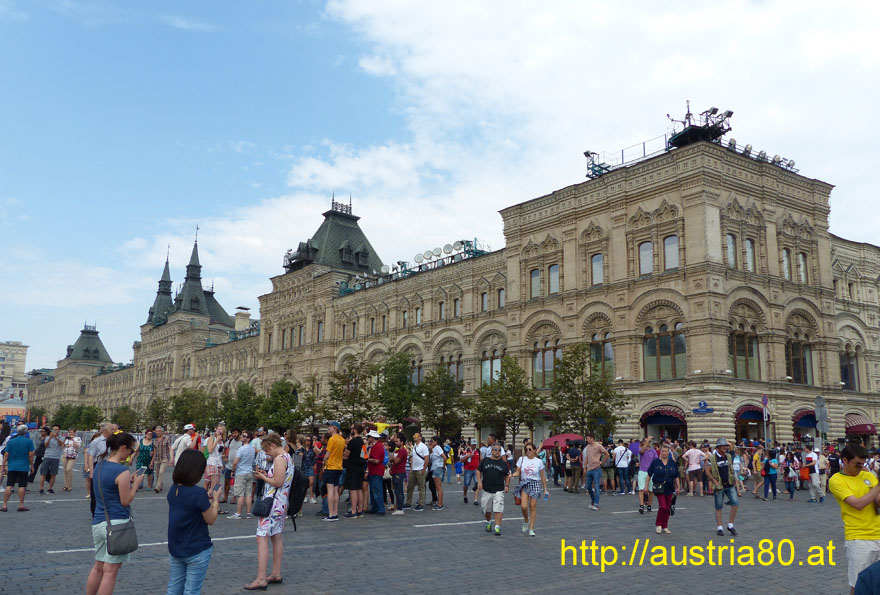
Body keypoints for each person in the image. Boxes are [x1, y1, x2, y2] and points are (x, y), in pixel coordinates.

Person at [86, 432, 145, 595]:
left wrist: (128, 481)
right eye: (131, 451)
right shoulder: (121, 470)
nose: (131, 454)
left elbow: (108, 487)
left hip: (99, 521)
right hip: (117, 524)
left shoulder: (99, 465)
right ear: (123, 448)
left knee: (98, 566)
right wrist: (136, 484)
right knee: (111, 571)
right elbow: (125, 500)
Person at [166, 449, 220, 595]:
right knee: (191, 591)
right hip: (196, 547)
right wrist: (215, 501)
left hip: (177, 546)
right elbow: (211, 519)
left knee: (173, 588)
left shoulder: (173, 489)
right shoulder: (198, 493)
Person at [828, 443, 880, 594]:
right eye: (857, 464)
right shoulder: (836, 480)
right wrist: (878, 486)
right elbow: (858, 504)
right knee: (858, 584)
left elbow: (877, 502)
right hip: (859, 538)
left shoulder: (868, 476)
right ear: (845, 460)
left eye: (863, 464)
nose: (861, 467)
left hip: (878, 532)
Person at [245, 433, 294, 590]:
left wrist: (262, 477)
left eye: (267, 450)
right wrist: (267, 475)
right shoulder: (287, 457)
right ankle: (275, 573)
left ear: (273, 445)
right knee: (276, 536)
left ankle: (261, 578)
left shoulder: (279, 459)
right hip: (281, 502)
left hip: (272, 504)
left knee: (262, 537)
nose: (267, 453)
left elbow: (278, 482)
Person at [510, 442, 548, 536]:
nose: (528, 451)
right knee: (523, 506)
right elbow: (518, 472)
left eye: (530, 449)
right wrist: (512, 475)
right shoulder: (522, 459)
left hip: (534, 483)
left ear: (534, 450)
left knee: (532, 507)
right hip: (524, 483)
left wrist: (545, 489)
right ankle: (526, 520)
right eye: (526, 449)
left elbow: (543, 476)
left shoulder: (538, 461)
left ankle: (531, 528)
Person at [706, 438, 739, 536]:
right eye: (723, 446)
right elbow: (707, 471)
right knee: (719, 506)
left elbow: (732, 448)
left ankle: (730, 525)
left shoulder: (728, 456)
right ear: (718, 447)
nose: (725, 447)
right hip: (719, 485)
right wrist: (714, 481)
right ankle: (719, 527)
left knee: (735, 503)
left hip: (729, 484)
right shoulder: (712, 458)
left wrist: (734, 479)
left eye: (726, 446)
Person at [477, 443, 510, 536]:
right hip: (486, 489)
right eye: (495, 450)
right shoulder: (485, 461)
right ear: (491, 451)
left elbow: (507, 475)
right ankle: (488, 522)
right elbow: (478, 470)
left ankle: (497, 526)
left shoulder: (503, 463)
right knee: (486, 509)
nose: (497, 452)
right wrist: (479, 481)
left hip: (499, 489)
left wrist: (507, 485)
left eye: (499, 450)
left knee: (498, 508)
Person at [647, 444, 679, 534]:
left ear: (669, 452)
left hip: (670, 487)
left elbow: (676, 475)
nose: (664, 453)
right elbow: (649, 475)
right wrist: (646, 486)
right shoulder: (655, 462)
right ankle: (659, 524)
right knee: (663, 506)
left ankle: (665, 526)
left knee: (667, 507)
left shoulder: (672, 462)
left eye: (666, 451)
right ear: (660, 452)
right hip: (659, 488)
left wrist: (678, 486)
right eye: (663, 451)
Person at [2, 424, 35, 512]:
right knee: (22, 486)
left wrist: (3, 465)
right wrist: (32, 466)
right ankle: (21, 505)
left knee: (9, 485)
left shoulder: (11, 441)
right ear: (26, 432)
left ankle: (4, 505)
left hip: (12, 466)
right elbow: (31, 455)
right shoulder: (29, 441)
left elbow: (6, 454)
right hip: (23, 466)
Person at [85, 422, 117, 510]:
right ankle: (95, 511)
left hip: (110, 467)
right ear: (105, 430)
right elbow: (91, 457)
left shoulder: (114, 441)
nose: (113, 431)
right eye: (111, 429)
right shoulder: (96, 441)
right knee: (96, 492)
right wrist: (92, 472)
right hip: (99, 466)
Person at [228, 431, 256, 519]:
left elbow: (235, 462)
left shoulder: (241, 449)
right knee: (248, 494)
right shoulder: (252, 449)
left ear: (248, 439)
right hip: (249, 472)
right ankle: (248, 513)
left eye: (244, 436)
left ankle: (238, 513)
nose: (242, 437)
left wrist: (233, 470)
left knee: (240, 494)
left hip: (241, 472)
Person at [322, 421, 345, 521]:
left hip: (330, 466)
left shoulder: (332, 439)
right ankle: (335, 512)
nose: (329, 428)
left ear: (335, 428)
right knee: (336, 490)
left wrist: (323, 462)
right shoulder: (342, 439)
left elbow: (328, 453)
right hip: (338, 466)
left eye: (330, 426)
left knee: (330, 490)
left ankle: (331, 514)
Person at [343, 422, 366, 518]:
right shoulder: (362, 442)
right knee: (359, 489)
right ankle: (360, 510)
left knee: (353, 490)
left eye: (352, 428)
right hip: (360, 467)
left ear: (355, 429)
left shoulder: (352, 442)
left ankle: (353, 511)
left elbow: (346, 454)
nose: (351, 430)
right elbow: (365, 455)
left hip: (352, 467)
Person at [405, 432, 430, 511]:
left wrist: (424, 469)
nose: (414, 437)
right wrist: (411, 468)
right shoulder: (415, 446)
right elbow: (413, 457)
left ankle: (421, 503)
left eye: (416, 436)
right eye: (414, 435)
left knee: (421, 488)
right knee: (410, 487)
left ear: (420, 437)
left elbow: (427, 459)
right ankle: (408, 503)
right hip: (414, 469)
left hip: (421, 469)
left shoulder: (423, 446)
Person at [583, 434, 608, 510]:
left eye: (588, 438)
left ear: (592, 438)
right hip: (589, 468)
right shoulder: (588, 447)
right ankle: (593, 501)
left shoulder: (598, 446)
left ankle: (596, 504)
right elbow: (587, 458)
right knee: (588, 487)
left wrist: (602, 462)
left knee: (597, 487)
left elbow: (607, 454)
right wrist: (585, 467)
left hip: (596, 468)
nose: (587, 440)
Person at [365, 430, 386, 515]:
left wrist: (367, 459)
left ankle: (380, 509)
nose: (368, 438)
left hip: (376, 471)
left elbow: (376, 460)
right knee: (375, 490)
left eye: (369, 437)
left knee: (376, 490)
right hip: (375, 471)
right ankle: (376, 507)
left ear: (373, 438)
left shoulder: (377, 447)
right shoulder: (377, 446)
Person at [638, 438, 658, 514]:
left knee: (650, 490)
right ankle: (641, 505)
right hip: (642, 471)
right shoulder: (641, 449)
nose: (648, 442)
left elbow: (656, 461)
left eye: (649, 441)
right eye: (646, 441)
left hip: (651, 472)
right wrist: (647, 441)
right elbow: (642, 451)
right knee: (641, 489)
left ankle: (649, 505)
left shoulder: (653, 451)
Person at [389, 433, 407, 516]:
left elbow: (396, 460)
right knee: (396, 490)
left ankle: (400, 508)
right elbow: (392, 459)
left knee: (399, 491)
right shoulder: (397, 450)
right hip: (395, 471)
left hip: (399, 472)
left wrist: (393, 458)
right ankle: (398, 506)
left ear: (402, 442)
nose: (396, 443)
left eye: (397, 441)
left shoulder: (403, 451)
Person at [222, 428, 242, 505]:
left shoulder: (242, 442)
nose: (234, 435)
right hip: (229, 465)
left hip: (238, 466)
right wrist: (224, 456)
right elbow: (224, 447)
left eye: (235, 433)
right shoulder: (230, 440)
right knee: (226, 481)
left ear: (239, 433)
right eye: (233, 433)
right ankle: (225, 497)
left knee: (236, 483)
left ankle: (234, 498)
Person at [151, 426, 173, 493]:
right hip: (157, 458)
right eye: (157, 431)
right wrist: (152, 461)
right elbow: (154, 451)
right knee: (157, 474)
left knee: (161, 472)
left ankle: (157, 487)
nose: (158, 432)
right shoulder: (154, 440)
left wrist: (172, 458)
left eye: (159, 431)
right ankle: (160, 485)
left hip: (164, 458)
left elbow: (170, 448)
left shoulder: (167, 438)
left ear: (162, 432)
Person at [62, 427, 82, 491]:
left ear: (75, 432)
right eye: (69, 432)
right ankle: (66, 485)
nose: (70, 433)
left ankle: (69, 484)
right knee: (65, 470)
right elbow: (62, 446)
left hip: (73, 455)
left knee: (69, 469)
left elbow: (77, 446)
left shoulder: (78, 438)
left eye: (72, 432)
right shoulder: (66, 438)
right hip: (65, 454)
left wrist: (72, 440)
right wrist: (65, 441)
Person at [428, 435, 445, 510]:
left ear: (436, 442)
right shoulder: (433, 449)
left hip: (437, 468)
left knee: (438, 487)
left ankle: (440, 504)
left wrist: (443, 466)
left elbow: (444, 457)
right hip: (434, 468)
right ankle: (439, 503)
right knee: (437, 487)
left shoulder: (438, 448)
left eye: (432, 441)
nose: (430, 442)